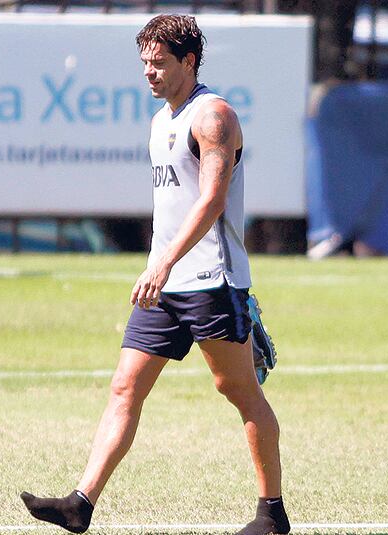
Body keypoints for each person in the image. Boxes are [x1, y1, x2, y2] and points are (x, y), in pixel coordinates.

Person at [20, 14, 289, 535]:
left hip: (212, 280)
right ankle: (81, 503)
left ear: (188, 62)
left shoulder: (214, 117)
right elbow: (171, 207)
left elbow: (211, 200)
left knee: (238, 391)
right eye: (144, 62)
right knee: (125, 388)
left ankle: (271, 514)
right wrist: (156, 263)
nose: (148, 72)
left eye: (159, 62)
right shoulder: (160, 118)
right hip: (165, 286)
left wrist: (164, 263)